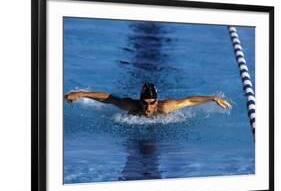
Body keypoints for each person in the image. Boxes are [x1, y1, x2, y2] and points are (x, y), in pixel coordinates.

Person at [64, 83, 231, 117]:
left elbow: (189, 101)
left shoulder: (164, 107)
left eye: (152, 102)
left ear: (157, 101)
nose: (148, 107)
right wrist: (82, 94)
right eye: (145, 102)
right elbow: (109, 98)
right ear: (140, 100)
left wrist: (212, 98)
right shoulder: (132, 105)